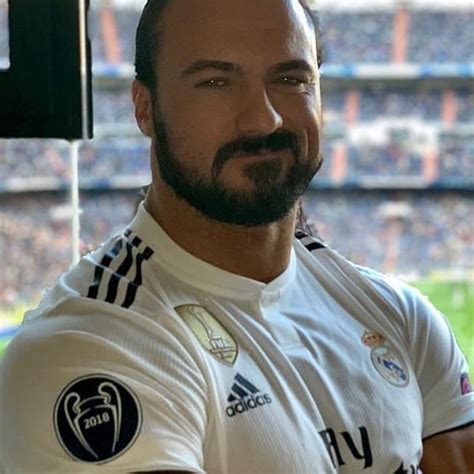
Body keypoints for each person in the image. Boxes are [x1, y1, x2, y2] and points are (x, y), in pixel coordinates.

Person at [0, 0, 472, 472]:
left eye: (290, 79)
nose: (264, 120)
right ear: (145, 108)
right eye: (215, 82)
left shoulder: (401, 316)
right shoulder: (86, 347)